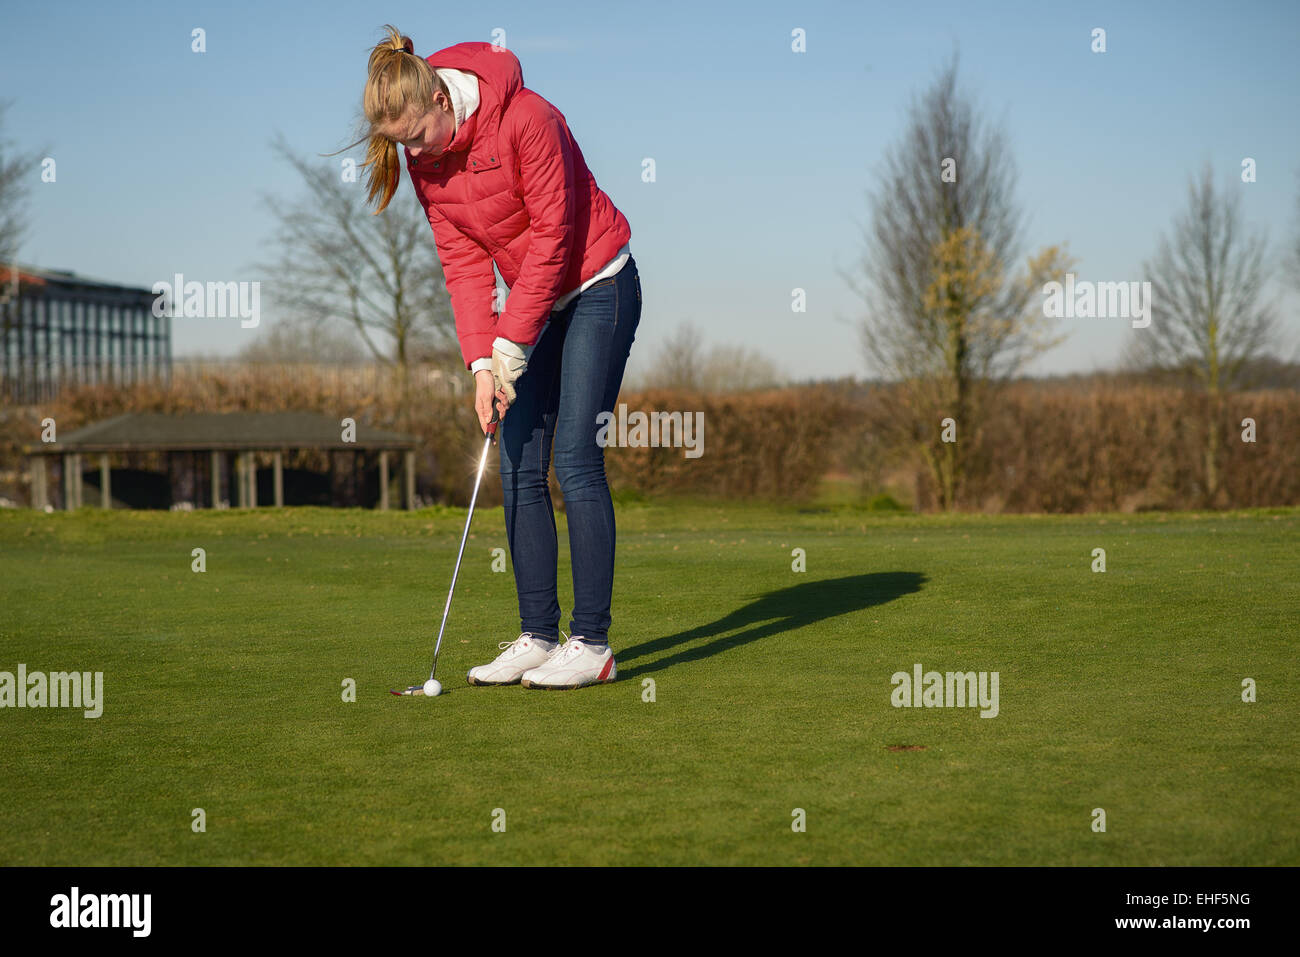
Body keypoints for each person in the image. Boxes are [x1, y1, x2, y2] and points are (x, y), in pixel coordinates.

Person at [358, 25, 641, 689]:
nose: (413, 153)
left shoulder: (529, 119)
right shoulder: (428, 167)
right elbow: (462, 265)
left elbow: (552, 240)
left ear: (439, 98)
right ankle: (539, 635)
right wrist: (481, 366)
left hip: (599, 284)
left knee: (574, 456)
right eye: (398, 145)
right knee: (516, 457)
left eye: (416, 137)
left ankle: (592, 643)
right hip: (536, 308)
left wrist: (511, 344)